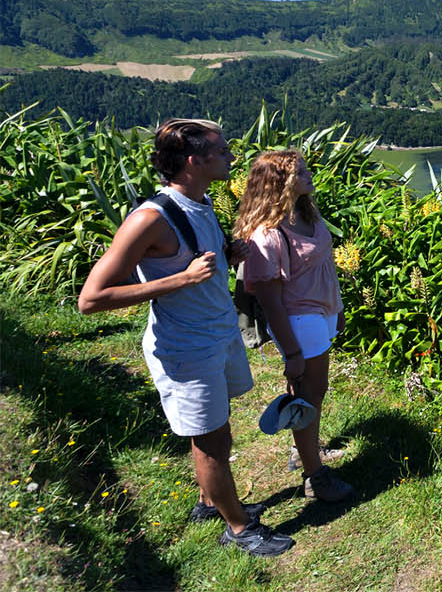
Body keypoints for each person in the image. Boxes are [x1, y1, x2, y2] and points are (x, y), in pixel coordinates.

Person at [78, 119, 293, 557]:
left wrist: (226, 254)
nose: (233, 157)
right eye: (224, 150)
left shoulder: (201, 200)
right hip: (186, 348)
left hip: (216, 335)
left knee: (214, 430)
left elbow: (196, 260)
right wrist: (180, 280)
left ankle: (210, 502)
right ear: (196, 160)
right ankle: (238, 530)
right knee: (212, 440)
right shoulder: (150, 218)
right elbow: (91, 298)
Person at [235, 150, 353, 503]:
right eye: (299, 172)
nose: (308, 174)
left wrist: (339, 308)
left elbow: (325, 268)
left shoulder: (305, 214)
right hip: (300, 321)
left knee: (308, 391)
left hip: (321, 312)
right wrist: (292, 351)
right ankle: (315, 478)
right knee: (311, 393)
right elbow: (271, 303)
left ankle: (303, 450)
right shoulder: (267, 236)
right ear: (279, 183)